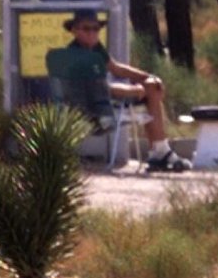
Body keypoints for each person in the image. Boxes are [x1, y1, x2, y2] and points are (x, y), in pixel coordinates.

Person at [51, 10, 191, 172]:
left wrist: (147, 77)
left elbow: (116, 68)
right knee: (146, 94)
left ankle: (159, 152)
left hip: (105, 101)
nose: (91, 33)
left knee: (152, 86)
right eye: (86, 29)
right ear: (74, 30)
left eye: (95, 29)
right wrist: (133, 90)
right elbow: (103, 89)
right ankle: (160, 152)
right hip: (90, 110)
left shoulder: (94, 49)